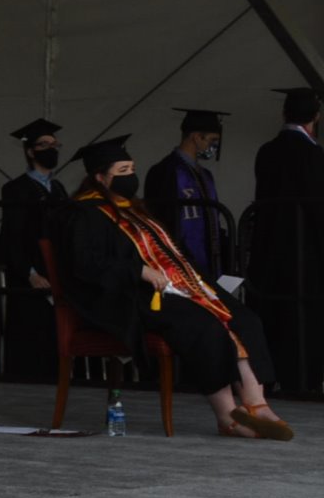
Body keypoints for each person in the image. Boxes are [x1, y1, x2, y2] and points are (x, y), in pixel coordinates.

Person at [54, 136, 292, 439]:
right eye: (122, 170)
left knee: (244, 319)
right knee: (205, 326)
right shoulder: (83, 214)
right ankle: (227, 416)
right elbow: (85, 264)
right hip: (128, 295)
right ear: (100, 177)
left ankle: (257, 405)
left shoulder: (136, 210)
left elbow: (172, 252)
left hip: (175, 288)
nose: (131, 176)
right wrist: (138, 270)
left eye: (132, 168)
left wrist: (196, 279)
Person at [247, 87, 324, 396]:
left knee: (273, 313)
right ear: (316, 117)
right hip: (306, 250)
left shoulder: (267, 150)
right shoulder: (314, 154)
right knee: (305, 317)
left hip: (270, 246)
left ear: (284, 113)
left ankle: (270, 376)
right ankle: (303, 380)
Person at [0, 118, 66, 379]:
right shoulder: (16, 189)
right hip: (31, 273)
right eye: (44, 144)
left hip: (55, 270)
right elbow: (12, 236)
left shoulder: (58, 188)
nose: (51, 148)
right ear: (30, 151)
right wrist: (29, 272)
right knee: (30, 331)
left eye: (54, 144)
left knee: (53, 333)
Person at [145, 108, 228, 276]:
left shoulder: (205, 175)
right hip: (177, 263)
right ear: (196, 137)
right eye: (212, 140)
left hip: (208, 262)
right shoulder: (165, 171)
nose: (214, 146)